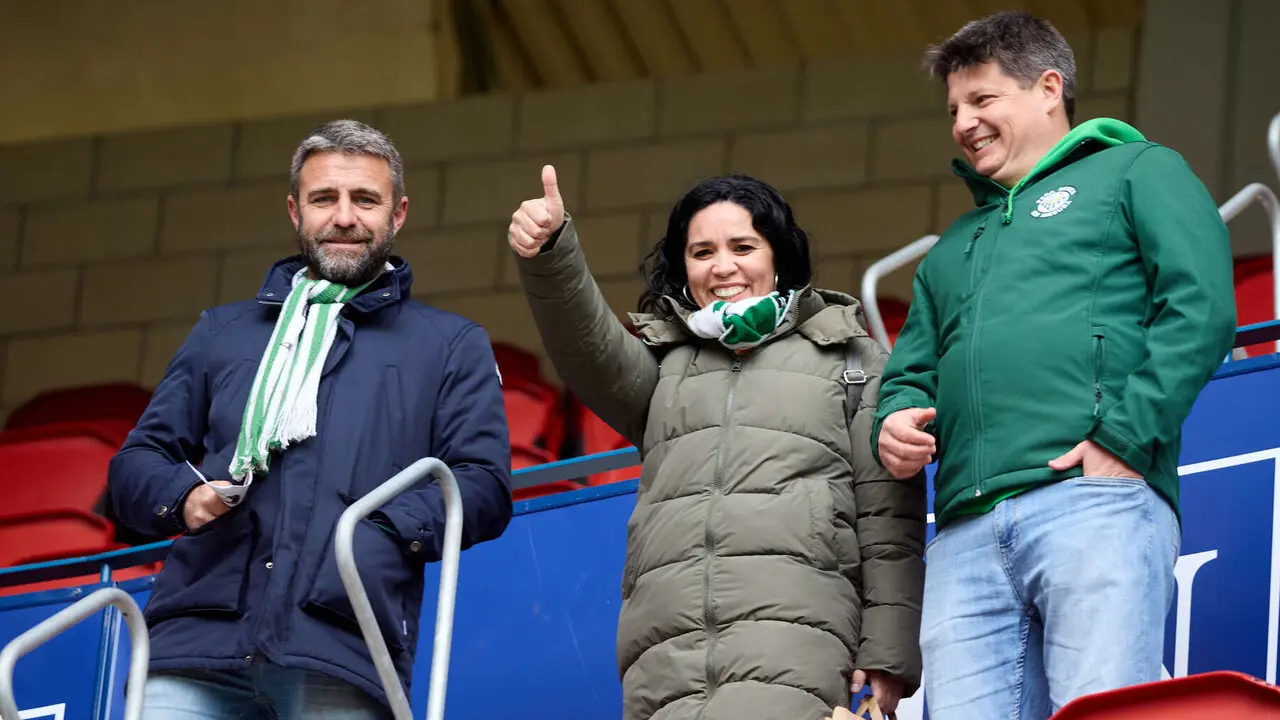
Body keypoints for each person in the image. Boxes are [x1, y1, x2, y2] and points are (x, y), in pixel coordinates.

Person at [873, 11, 1238, 719]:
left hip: (1093, 498)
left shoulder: (1138, 169)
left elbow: (1200, 308)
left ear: (1048, 88)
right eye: (954, 109)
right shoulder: (950, 249)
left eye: (982, 99)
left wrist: (1122, 440)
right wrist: (893, 420)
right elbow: (910, 372)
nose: (964, 123)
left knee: (1101, 712)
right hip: (963, 528)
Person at [107, 119, 514, 719]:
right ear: (295, 211)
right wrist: (185, 496)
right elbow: (134, 466)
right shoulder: (223, 331)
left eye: (365, 200)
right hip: (195, 644)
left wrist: (377, 528)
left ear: (398, 214)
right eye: (324, 199)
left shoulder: (450, 344)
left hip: (344, 645)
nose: (344, 217)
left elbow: (482, 484)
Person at [508, 168, 927, 719]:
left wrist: (887, 658)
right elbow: (585, 346)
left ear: (779, 256)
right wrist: (552, 252)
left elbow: (888, 522)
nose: (722, 266)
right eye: (702, 251)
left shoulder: (849, 359)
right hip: (664, 659)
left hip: (793, 648)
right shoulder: (664, 365)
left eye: (743, 247)